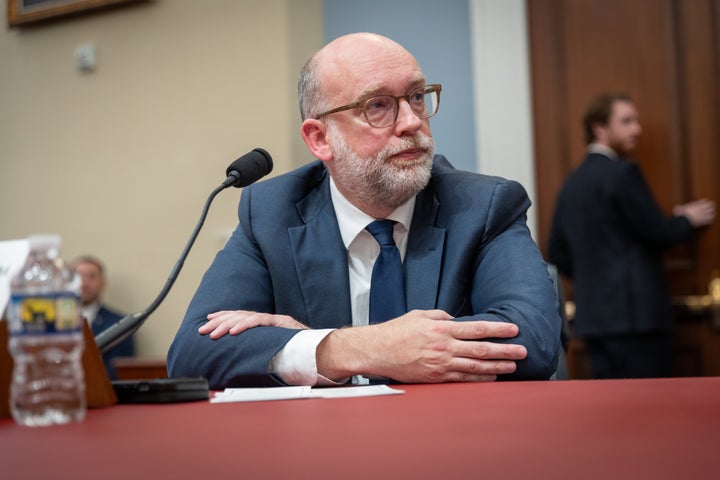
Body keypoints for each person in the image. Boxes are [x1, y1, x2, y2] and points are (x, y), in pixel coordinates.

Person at [167, 33, 561, 389]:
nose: (411, 122)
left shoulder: (484, 206)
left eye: (417, 97)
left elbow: (534, 339)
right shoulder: (272, 213)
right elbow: (192, 354)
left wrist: (309, 341)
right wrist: (349, 348)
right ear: (320, 139)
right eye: (378, 106)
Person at [548, 92, 716, 379]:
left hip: (594, 323)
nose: (636, 129)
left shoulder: (571, 184)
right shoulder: (623, 174)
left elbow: (556, 253)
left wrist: (596, 280)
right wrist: (686, 219)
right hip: (639, 322)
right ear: (599, 128)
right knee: (650, 416)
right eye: (626, 121)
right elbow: (658, 233)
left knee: (612, 417)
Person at [72, 255, 135, 379]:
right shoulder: (52, 322)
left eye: (91, 276)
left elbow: (119, 372)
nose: (84, 283)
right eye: (78, 276)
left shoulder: (121, 324)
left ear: (102, 283)